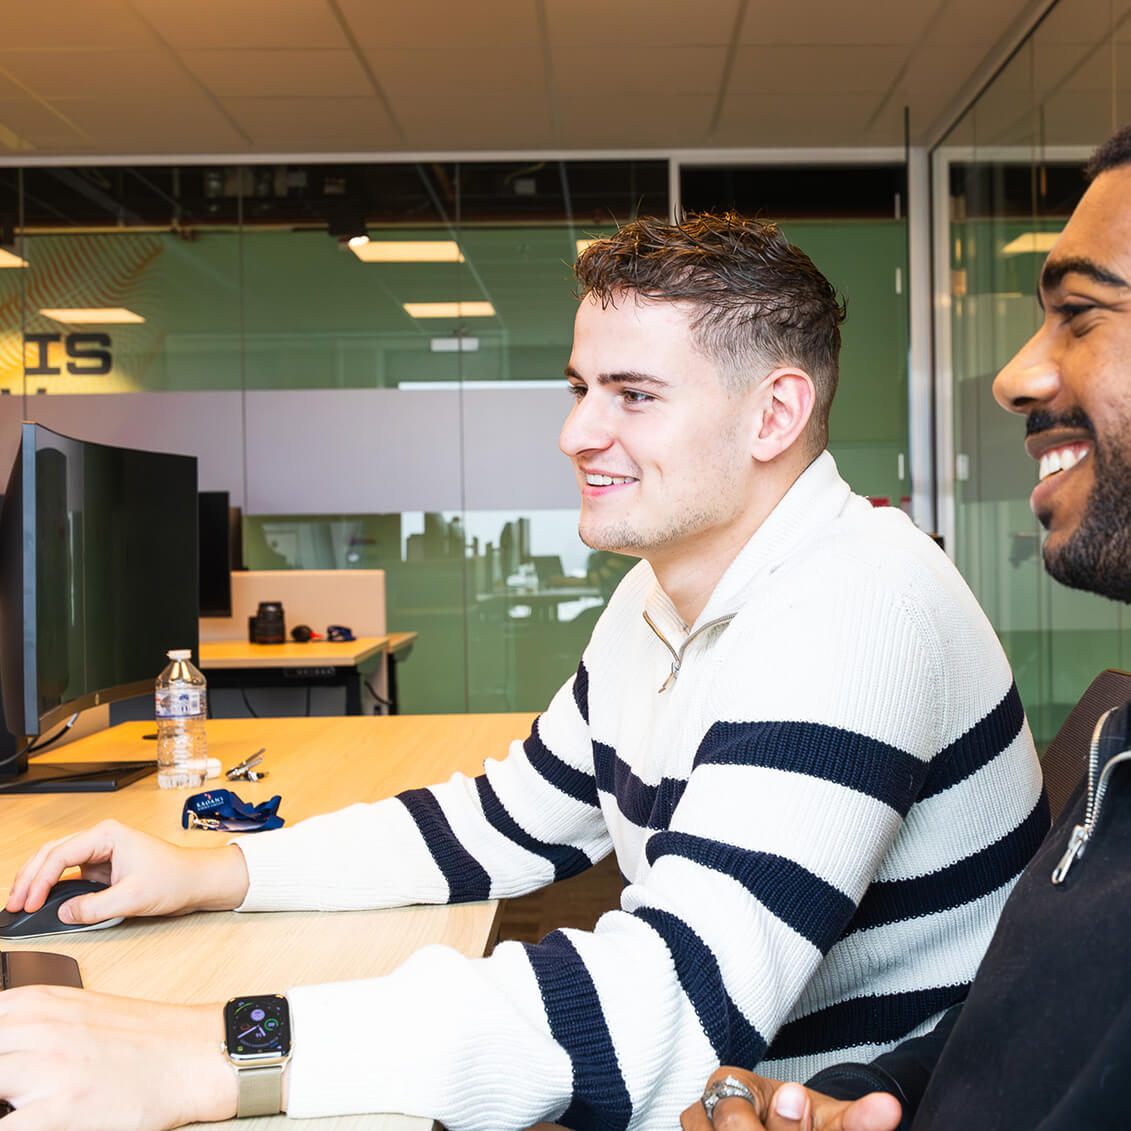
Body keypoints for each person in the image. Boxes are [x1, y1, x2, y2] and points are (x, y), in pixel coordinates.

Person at [1, 214, 1044, 1130]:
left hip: (829, 1102)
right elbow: (499, 822)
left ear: (773, 415)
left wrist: (208, 1050)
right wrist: (211, 875)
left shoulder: (856, 606)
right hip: (730, 1080)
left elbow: (668, 1009)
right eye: (582, 388)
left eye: (633, 395)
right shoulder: (657, 596)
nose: (577, 432)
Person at [680, 126, 1131, 1131]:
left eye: (1082, 315)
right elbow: (1034, 1018)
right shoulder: (1124, 740)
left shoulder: (864, 595)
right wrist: (853, 1097)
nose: (1015, 375)